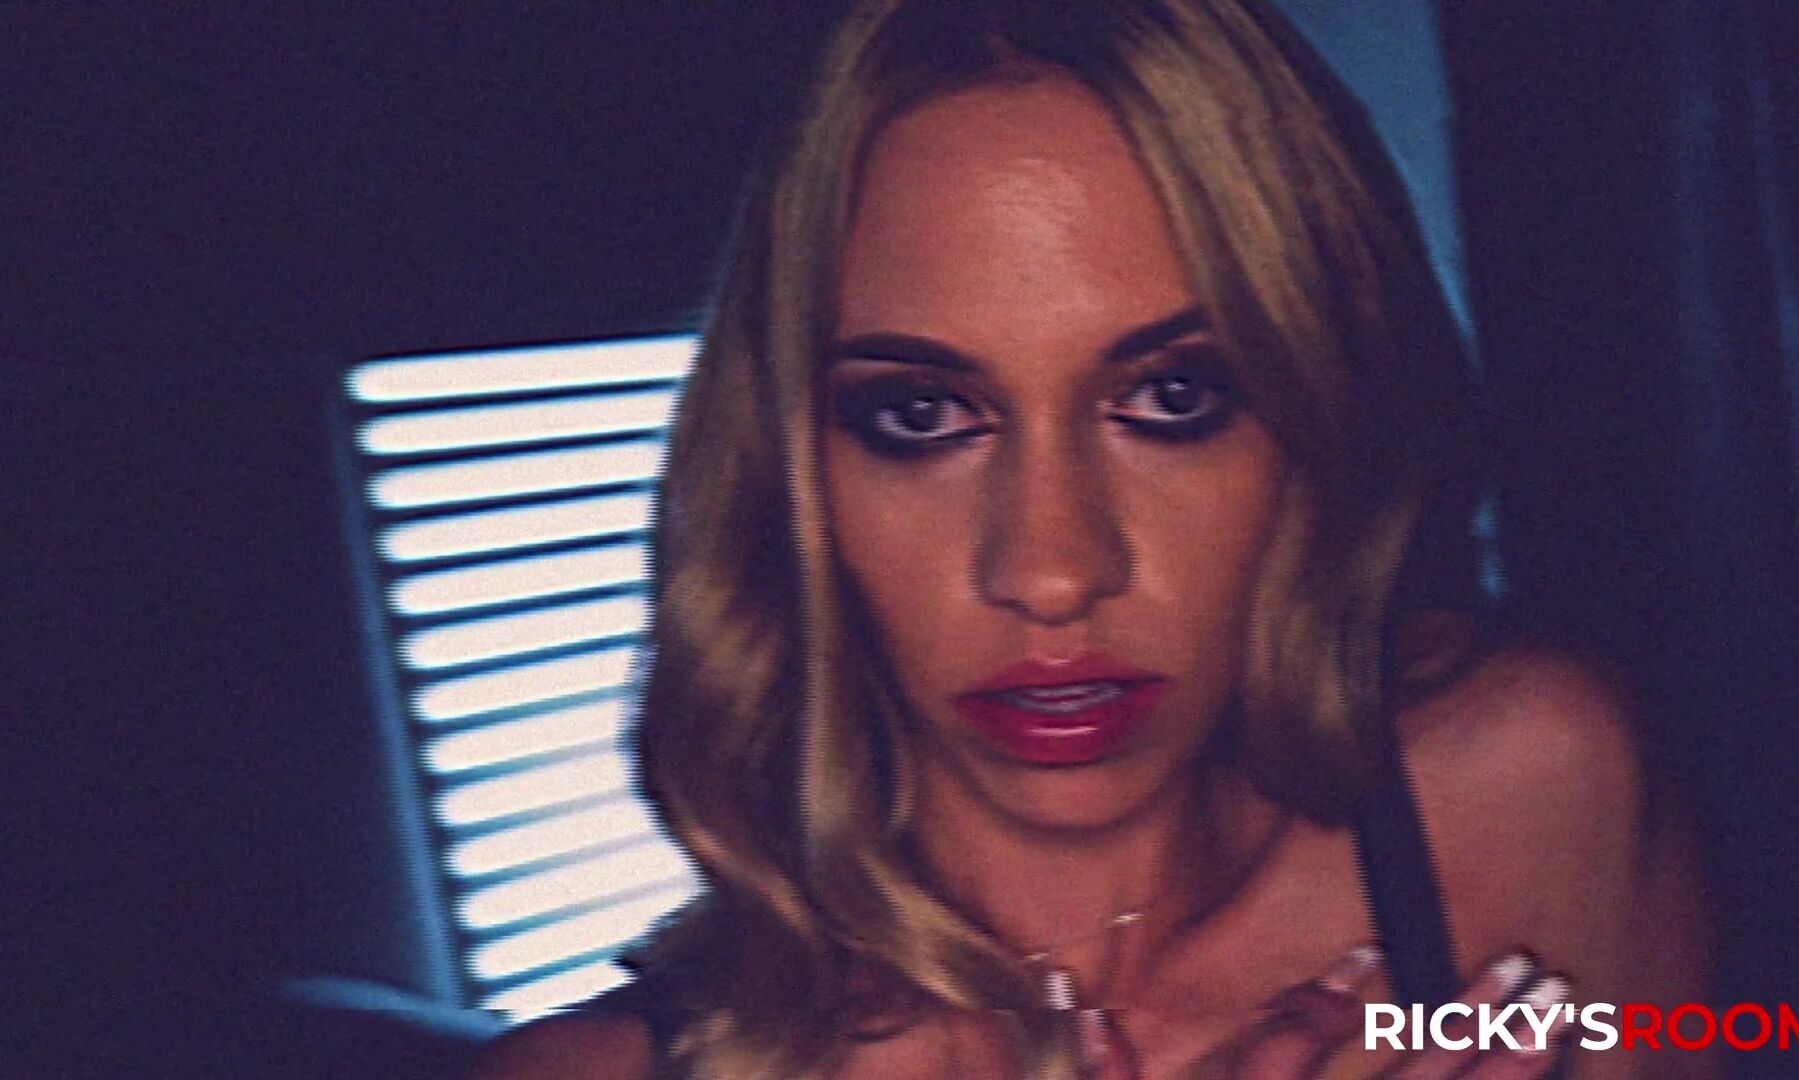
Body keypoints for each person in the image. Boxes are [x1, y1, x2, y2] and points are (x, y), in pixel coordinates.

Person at [471, 0, 1710, 1075]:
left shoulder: (1533, 798)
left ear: (1321, 417)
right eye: (921, 415)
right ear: (790, 463)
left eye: (1174, 399)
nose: (1052, 574)